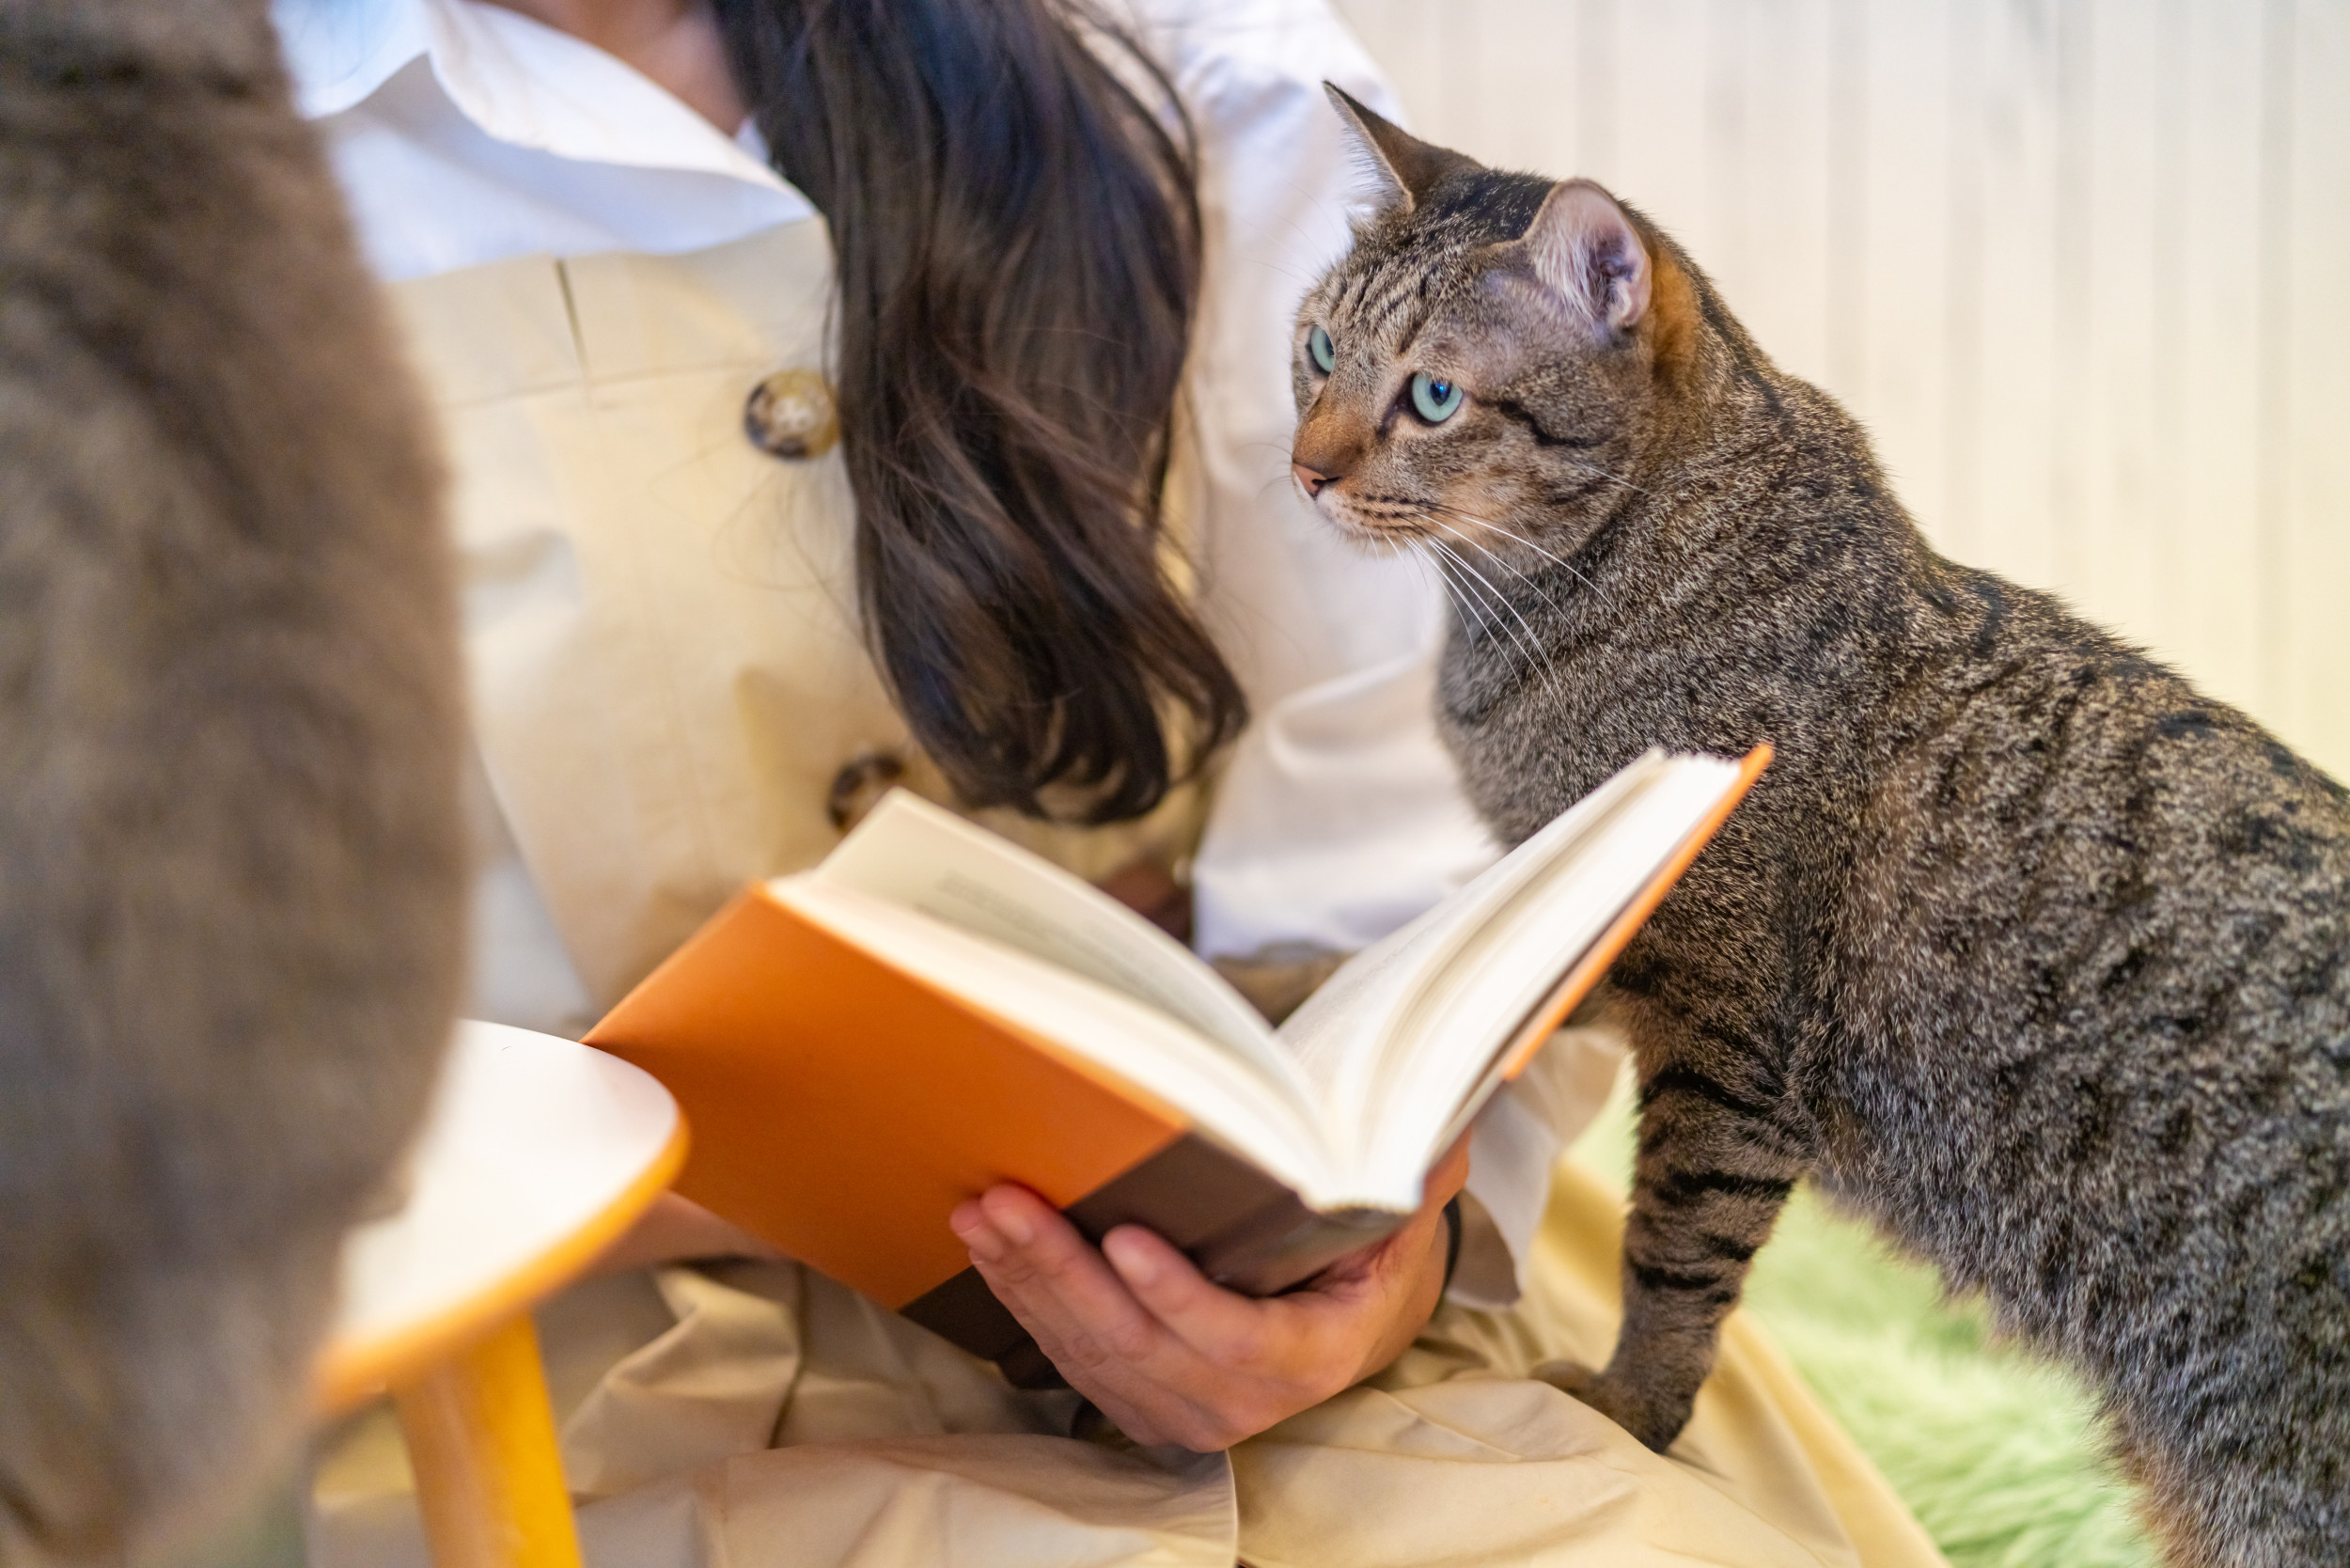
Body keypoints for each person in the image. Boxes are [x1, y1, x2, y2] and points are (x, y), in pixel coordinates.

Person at [277, 2, 1946, 1562]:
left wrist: (1392, 1262)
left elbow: (1402, 820)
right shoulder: (128, 153)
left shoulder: (1190, 67)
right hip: (533, 1360)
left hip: (1329, 1305)